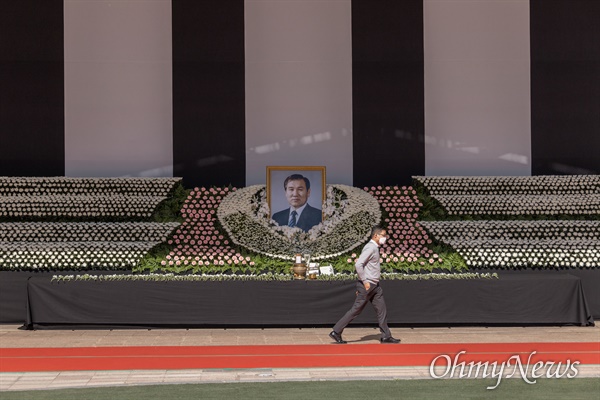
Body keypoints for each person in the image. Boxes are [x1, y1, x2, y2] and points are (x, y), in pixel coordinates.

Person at [329, 225, 401, 344]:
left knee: (382, 309)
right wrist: (364, 282)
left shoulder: (374, 248)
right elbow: (358, 264)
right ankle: (336, 331)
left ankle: (386, 336)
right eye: (383, 235)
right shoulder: (370, 248)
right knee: (356, 310)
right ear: (376, 235)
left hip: (375, 286)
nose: (385, 238)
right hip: (368, 285)